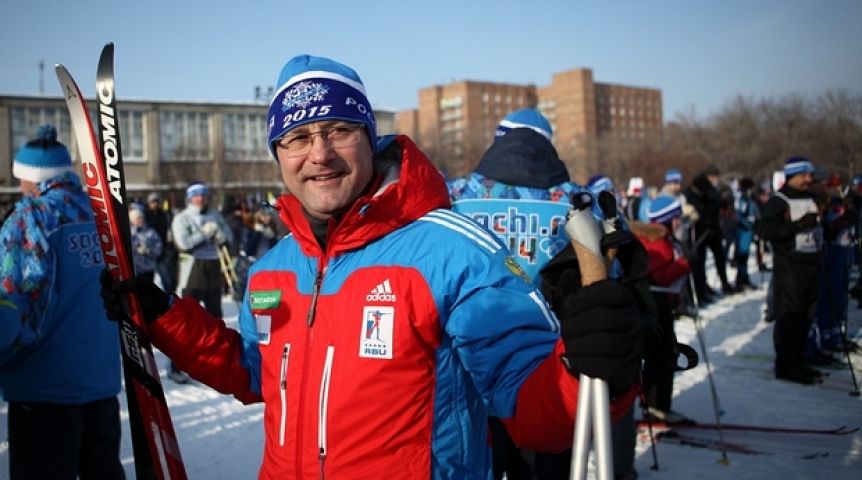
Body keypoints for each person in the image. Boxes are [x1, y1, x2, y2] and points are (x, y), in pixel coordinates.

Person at [100, 54, 643, 479]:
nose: (319, 154)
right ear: (278, 154)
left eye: (338, 130)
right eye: (297, 138)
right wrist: (165, 317)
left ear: (368, 137)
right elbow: (254, 373)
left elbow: (529, 403)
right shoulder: (273, 269)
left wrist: (589, 368)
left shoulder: (452, 253)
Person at [0, 125, 124, 478]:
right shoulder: (102, 215)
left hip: (43, 388)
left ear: (29, 176)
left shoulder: (30, 218)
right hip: (100, 382)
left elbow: (21, 304)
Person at [756, 156, 824, 384]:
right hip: (790, 266)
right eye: (804, 175)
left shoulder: (809, 197)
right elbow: (765, 230)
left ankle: (799, 358)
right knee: (790, 315)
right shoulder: (779, 199)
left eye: (810, 175)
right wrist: (797, 225)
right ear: (792, 175)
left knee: (806, 315)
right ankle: (785, 364)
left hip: (812, 262)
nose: (809, 179)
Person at [631, 195, 693, 424]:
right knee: (664, 355)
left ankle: (656, 403)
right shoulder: (658, 243)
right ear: (668, 219)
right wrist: (683, 265)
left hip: (659, 303)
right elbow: (659, 277)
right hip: (656, 305)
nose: (679, 222)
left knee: (663, 354)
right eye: (677, 218)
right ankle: (656, 405)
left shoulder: (660, 239)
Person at [169, 180, 233, 383]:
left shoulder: (215, 215)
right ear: (190, 198)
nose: (201, 199)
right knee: (187, 321)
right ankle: (176, 366)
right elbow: (183, 243)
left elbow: (229, 238)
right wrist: (204, 233)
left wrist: (221, 234)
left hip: (213, 269)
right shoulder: (182, 218)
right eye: (196, 195)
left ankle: (219, 360)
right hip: (192, 271)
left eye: (204, 195)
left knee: (215, 318)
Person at [684, 165, 734, 302]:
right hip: (700, 229)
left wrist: (722, 205)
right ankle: (702, 287)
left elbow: (716, 204)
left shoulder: (712, 189)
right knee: (700, 260)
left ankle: (723, 281)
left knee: (719, 255)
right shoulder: (696, 189)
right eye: (712, 177)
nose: (714, 180)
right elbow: (700, 209)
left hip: (713, 228)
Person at [145, 192, 179, 295]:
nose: (155, 204)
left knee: (166, 277)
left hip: (163, 250)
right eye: (152, 202)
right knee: (147, 279)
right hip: (148, 251)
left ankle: (170, 296)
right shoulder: (145, 215)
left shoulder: (164, 215)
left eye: (157, 202)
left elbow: (169, 230)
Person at [733, 178, 758, 290]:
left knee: (745, 256)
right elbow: (739, 215)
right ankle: (740, 280)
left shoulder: (748, 198)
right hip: (743, 231)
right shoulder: (742, 199)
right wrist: (748, 223)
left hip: (747, 231)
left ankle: (744, 278)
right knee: (742, 256)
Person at [130, 202, 163, 281]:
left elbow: (159, 249)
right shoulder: (130, 234)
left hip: (148, 269)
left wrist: (148, 251)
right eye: (138, 218)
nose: (141, 220)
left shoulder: (151, 232)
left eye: (142, 217)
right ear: (132, 220)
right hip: (135, 270)